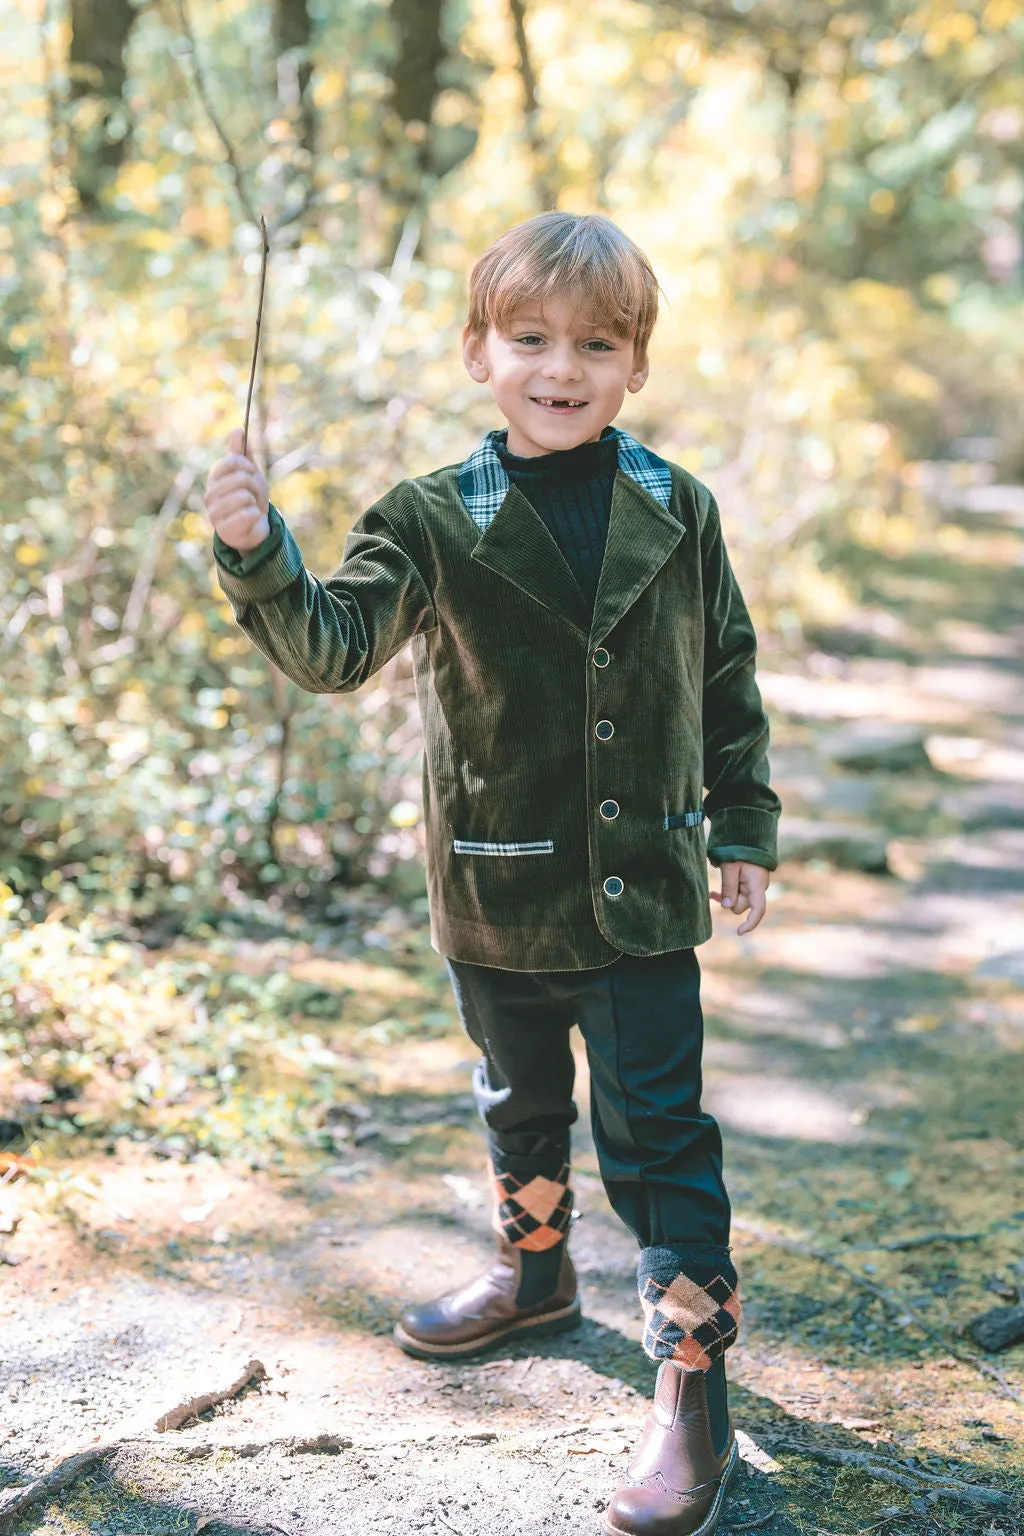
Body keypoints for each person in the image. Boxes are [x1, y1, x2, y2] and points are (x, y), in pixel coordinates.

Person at [203, 210, 780, 1536]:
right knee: (517, 1100)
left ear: (635, 364)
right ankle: (536, 1276)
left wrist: (742, 826)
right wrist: (256, 552)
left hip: (647, 895)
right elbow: (336, 647)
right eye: (529, 338)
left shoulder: (676, 507)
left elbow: (727, 672)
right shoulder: (427, 516)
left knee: (663, 1137)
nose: (558, 365)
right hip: (496, 886)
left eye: (594, 343)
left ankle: (691, 1382)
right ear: (480, 352)